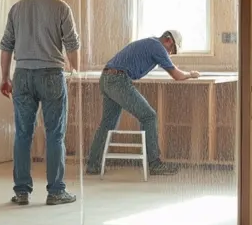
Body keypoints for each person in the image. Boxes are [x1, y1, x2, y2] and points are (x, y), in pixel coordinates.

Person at [0, 0, 81, 206]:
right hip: (51, 75)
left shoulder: (17, 8)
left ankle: (22, 191)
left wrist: (4, 77)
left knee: (23, 134)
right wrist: (74, 70)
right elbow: (72, 45)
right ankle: (56, 192)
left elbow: (6, 47)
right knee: (55, 134)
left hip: (22, 74)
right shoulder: (61, 8)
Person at [85, 30, 200, 177]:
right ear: (168, 40)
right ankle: (155, 164)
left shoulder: (150, 43)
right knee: (149, 116)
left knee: (107, 123)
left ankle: (93, 165)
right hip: (118, 80)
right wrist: (191, 74)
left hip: (107, 77)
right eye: (172, 49)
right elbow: (176, 75)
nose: (170, 53)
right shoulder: (158, 47)